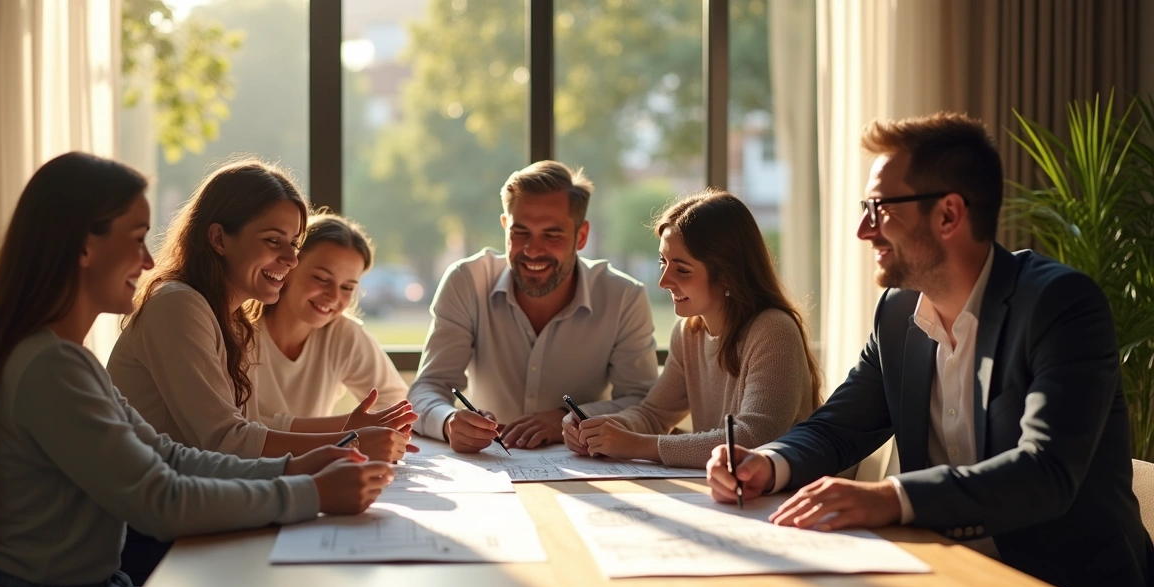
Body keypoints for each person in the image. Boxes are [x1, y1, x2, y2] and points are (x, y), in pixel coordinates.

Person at [706, 112, 1152, 587]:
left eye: (879, 209)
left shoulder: (1059, 306)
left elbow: (1045, 473)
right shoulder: (898, 313)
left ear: (948, 214)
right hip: (937, 579)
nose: (862, 229)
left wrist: (890, 497)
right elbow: (838, 426)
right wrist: (768, 462)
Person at [0, 152, 393, 587]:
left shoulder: (66, 359)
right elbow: (162, 498)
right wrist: (311, 491)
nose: (148, 260)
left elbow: (169, 455)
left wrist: (292, 468)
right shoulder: (53, 367)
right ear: (83, 248)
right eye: (136, 240)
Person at [108, 158, 417, 464]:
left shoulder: (233, 320)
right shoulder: (177, 305)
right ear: (218, 239)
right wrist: (350, 441)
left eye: (294, 244)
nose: (291, 260)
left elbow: (248, 433)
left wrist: (349, 435)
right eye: (273, 241)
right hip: (145, 507)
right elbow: (226, 441)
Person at [408, 160, 658, 453]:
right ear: (505, 226)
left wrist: (568, 419)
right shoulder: (466, 281)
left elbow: (642, 401)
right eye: (520, 232)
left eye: (551, 235)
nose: (532, 250)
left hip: (582, 466)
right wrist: (449, 421)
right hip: (490, 465)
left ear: (581, 236)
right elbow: (427, 388)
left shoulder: (623, 297)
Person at [564, 190, 821, 468]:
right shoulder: (689, 332)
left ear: (727, 275)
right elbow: (653, 415)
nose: (663, 282)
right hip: (727, 494)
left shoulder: (773, 330)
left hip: (780, 500)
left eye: (682, 270)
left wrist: (636, 444)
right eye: (663, 262)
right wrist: (597, 427)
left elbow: (754, 438)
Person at [252, 209, 408, 429]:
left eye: (347, 287)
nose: (334, 297)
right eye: (322, 278)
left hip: (320, 463)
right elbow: (235, 429)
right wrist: (348, 427)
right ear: (288, 268)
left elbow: (395, 403)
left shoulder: (343, 334)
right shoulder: (239, 331)